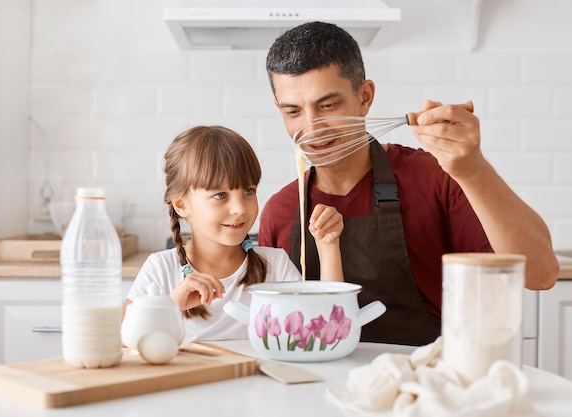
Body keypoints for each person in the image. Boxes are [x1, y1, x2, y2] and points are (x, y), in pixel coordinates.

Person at [259, 21, 559, 346]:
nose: (312, 127)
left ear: (364, 97)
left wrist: (473, 168)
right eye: (293, 111)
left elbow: (540, 273)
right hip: (313, 388)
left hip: (423, 385)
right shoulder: (281, 211)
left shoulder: (434, 178)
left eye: (328, 105)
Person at [123, 125, 344, 343]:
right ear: (181, 204)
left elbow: (326, 333)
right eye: (220, 195)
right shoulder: (160, 269)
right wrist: (171, 306)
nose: (240, 208)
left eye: (248, 191)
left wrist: (328, 246)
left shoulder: (275, 265)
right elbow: (120, 341)